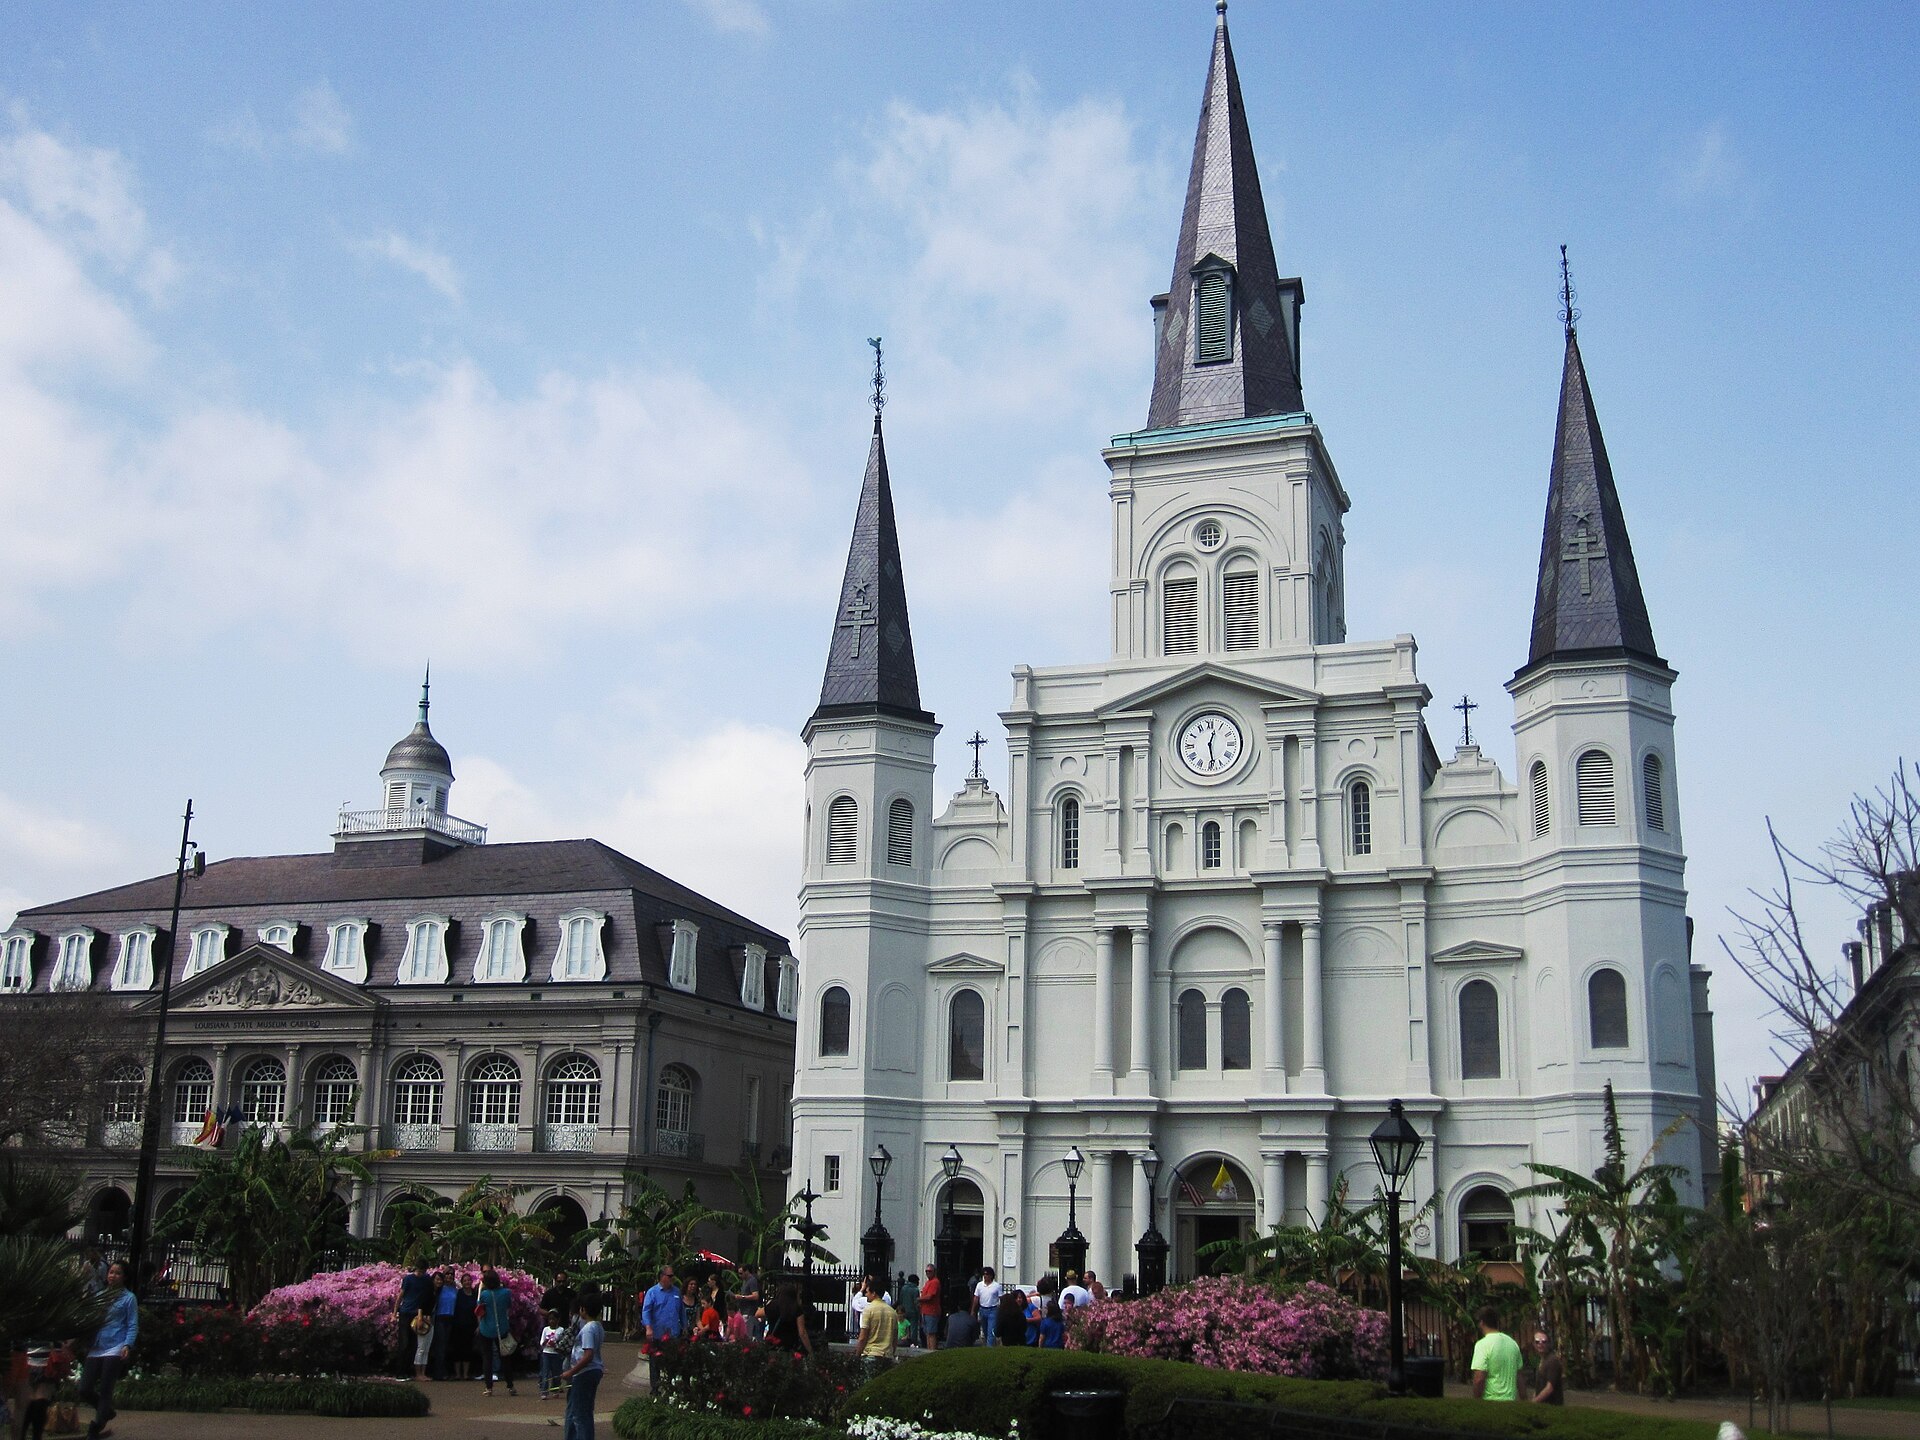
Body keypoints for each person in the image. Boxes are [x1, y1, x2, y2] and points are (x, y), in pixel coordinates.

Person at [79, 1260, 136, 1440]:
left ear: (124, 1277)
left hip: (115, 1345)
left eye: (117, 1273)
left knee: (105, 1388)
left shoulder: (128, 1298)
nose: (113, 1276)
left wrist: (127, 1344)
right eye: (111, 1272)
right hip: (97, 1346)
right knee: (84, 1388)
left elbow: (132, 1324)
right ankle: (106, 1411)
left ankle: (96, 1426)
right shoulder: (100, 1296)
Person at [557, 1291, 604, 1440]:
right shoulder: (597, 1326)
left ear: (583, 1309)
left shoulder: (589, 1329)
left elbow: (588, 1355)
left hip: (585, 1372)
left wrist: (571, 1371)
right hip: (592, 1371)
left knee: (579, 1414)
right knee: (585, 1411)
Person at [640, 1265, 685, 1390]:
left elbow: (682, 1312)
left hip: (673, 1336)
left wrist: (685, 1327)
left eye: (673, 1276)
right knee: (655, 1364)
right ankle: (655, 1391)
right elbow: (646, 1311)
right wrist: (648, 1327)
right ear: (662, 1277)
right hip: (657, 1335)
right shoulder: (652, 1292)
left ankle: (671, 1390)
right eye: (669, 1276)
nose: (672, 1279)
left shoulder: (677, 1292)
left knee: (673, 1364)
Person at [476, 1267, 517, 1396]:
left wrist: (480, 1289)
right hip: (502, 1328)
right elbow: (509, 1306)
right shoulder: (506, 1292)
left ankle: (489, 1387)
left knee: (487, 1358)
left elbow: (478, 1307)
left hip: (486, 1328)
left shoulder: (485, 1294)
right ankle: (510, 1386)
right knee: (505, 1358)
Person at [22, 1341, 73, 1440]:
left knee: (29, 1402)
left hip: (28, 1356)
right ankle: (36, 1437)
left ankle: (22, 1436)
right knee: (41, 1400)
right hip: (49, 1359)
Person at [1470, 1307, 1523, 1402]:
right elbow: (1519, 1376)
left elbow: (1479, 1378)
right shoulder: (1513, 1343)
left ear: (1481, 1323)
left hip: (1491, 1401)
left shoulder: (1482, 1345)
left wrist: (1475, 1401)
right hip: (1510, 1401)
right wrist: (1525, 1399)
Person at [395, 1260, 434, 1377]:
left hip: (417, 1314)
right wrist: (394, 1312)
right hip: (406, 1312)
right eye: (420, 1270)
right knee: (404, 1343)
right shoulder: (408, 1279)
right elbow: (400, 1296)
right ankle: (400, 1372)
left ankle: (408, 1370)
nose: (421, 1273)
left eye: (423, 1271)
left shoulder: (427, 1279)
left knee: (413, 1344)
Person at [854, 1277, 898, 1371]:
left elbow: (862, 1337)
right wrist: (891, 1353)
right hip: (887, 1356)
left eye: (867, 1292)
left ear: (874, 1293)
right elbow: (894, 1338)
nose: (866, 1295)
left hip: (870, 1354)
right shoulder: (892, 1312)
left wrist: (857, 1355)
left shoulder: (868, 1310)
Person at [764, 1281, 814, 1357]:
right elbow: (802, 1332)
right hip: (789, 1346)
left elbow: (757, 1314)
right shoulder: (796, 1309)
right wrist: (810, 1350)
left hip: (773, 1345)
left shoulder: (772, 1305)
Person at [429, 1266, 459, 1378]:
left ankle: (443, 1370)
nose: (449, 1276)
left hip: (451, 1318)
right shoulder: (439, 1288)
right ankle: (438, 1372)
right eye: (447, 1274)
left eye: (451, 1274)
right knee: (440, 1346)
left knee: (446, 1346)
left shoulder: (455, 1289)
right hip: (440, 1318)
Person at [451, 1272, 480, 1380]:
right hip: (458, 1325)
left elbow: (478, 1311)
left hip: (470, 1325)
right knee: (457, 1349)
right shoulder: (458, 1294)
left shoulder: (475, 1294)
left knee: (468, 1350)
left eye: (468, 1280)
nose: (467, 1282)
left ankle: (466, 1374)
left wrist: (478, 1325)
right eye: (465, 1281)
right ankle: (458, 1374)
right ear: (462, 1283)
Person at [538, 1309, 567, 1400]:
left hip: (556, 1353)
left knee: (556, 1372)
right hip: (546, 1353)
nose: (552, 1321)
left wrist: (555, 1345)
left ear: (558, 1320)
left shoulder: (561, 1330)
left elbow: (562, 1343)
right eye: (550, 1319)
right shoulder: (546, 1329)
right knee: (545, 1372)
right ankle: (544, 1391)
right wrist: (546, 1342)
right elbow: (541, 1343)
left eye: (554, 1319)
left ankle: (555, 1389)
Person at [1529, 1330, 1564, 1405]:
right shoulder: (1542, 1360)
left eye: (1544, 1341)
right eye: (1537, 1342)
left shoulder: (1552, 1361)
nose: (1540, 1344)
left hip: (1552, 1408)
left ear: (1548, 1343)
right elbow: (1538, 1387)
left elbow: (1549, 1388)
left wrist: (1534, 1402)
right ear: (1533, 1344)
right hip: (1542, 1407)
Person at [972, 1267, 1003, 1347]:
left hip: (993, 1310)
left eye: (987, 1274)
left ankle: (990, 1348)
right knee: (985, 1331)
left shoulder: (996, 1286)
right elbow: (976, 1298)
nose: (985, 1276)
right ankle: (988, 1345)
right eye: (984, 1274)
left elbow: (1001, 1298)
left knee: (991, 1331)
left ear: (991, 1275)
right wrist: (973, 1310)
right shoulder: (979, 1285)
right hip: (982, 1309)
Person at [917, 1264, 942, 1351]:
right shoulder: (928, 1282)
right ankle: (928, 1351)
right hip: (925, 1311)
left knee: (931, 1333)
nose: (928, 1273)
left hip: (932, 1312)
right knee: (927, 1333)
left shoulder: (935, 1282)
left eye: (930, 1271)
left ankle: (932, 1351)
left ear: (934, 1272)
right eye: (926, 1271)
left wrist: (918, 1299)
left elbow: (929, 1296)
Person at [737, 1265, 763, 1340]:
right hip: (744, 1310)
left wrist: (742, 1297)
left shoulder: (752, 1281)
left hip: (749, 1312)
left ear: (747, 1271)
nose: (740, 1276)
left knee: (748, 1334)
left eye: (741, 1273)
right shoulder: (745, 1281)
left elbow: (755, 1296)